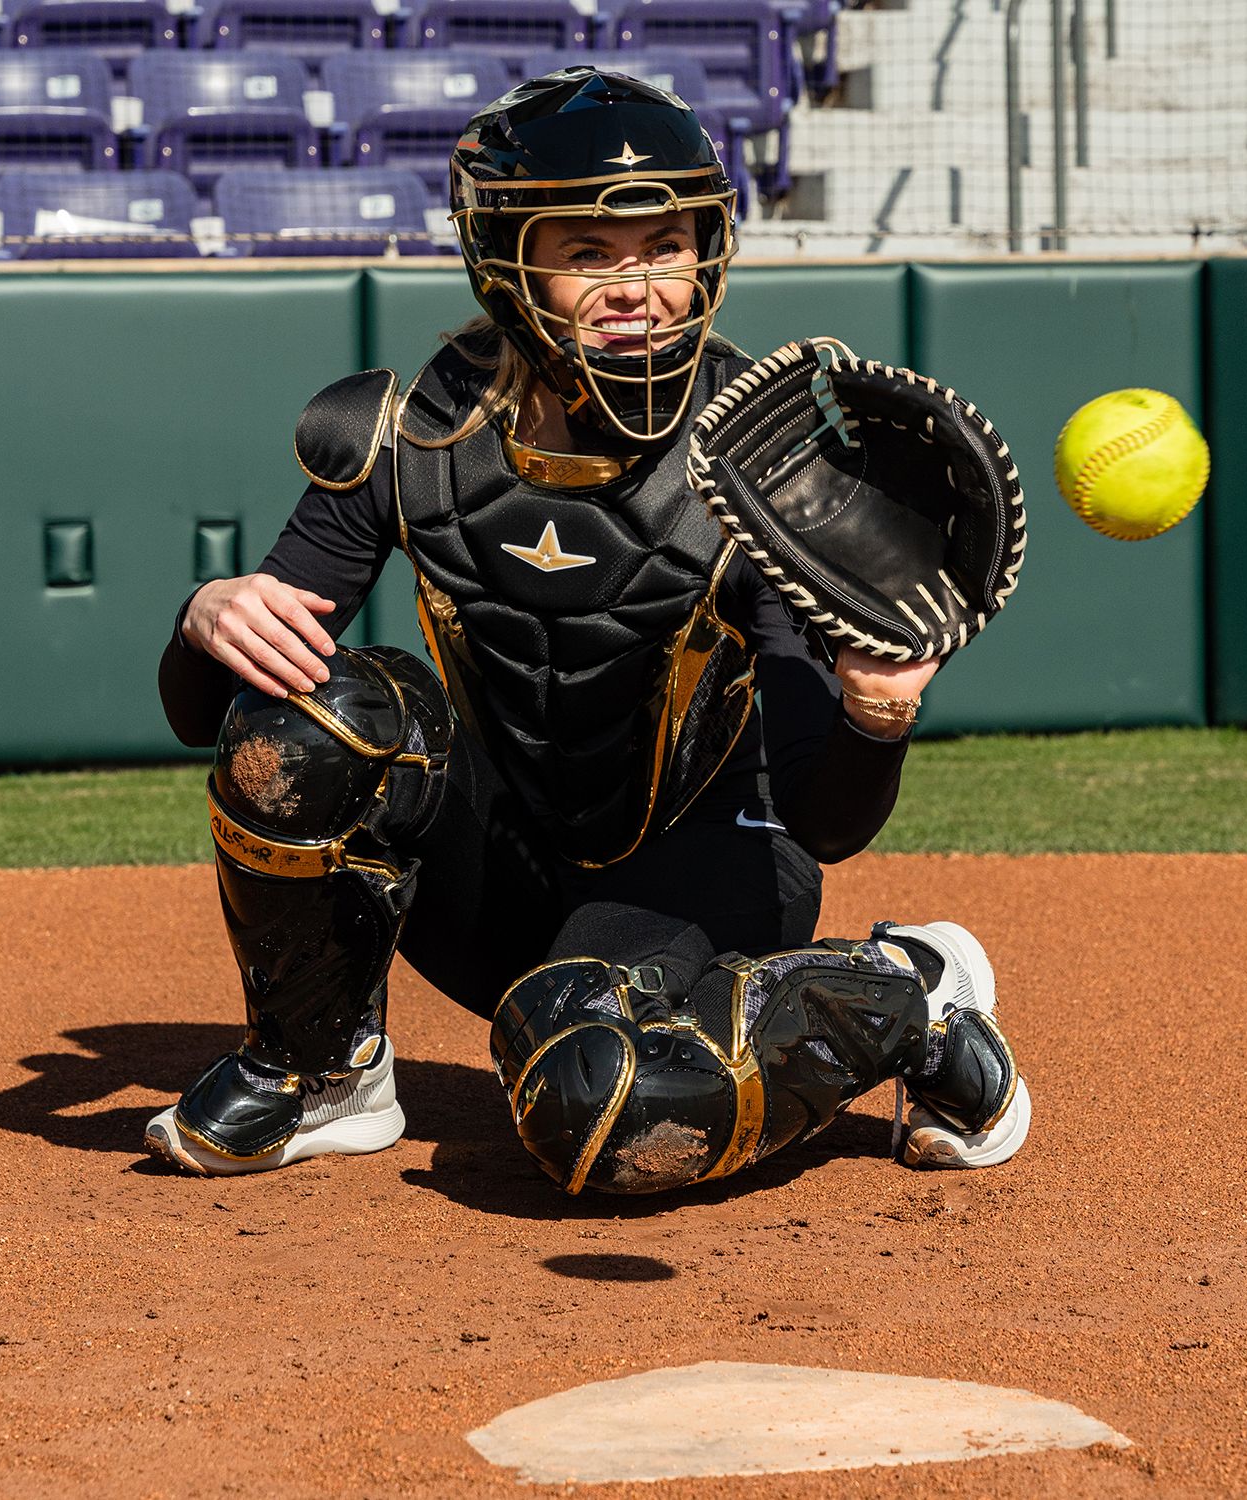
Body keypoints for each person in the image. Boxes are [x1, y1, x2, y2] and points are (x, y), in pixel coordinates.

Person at [145, 67, 1031, 1191]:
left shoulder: (760, 465)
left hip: (699, 879)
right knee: (317, 714)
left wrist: (876, 706)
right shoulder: (407, 432)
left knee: (600, 1112)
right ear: (504, 262)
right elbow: (214, 721)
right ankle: (321, 1069)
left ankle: (912, 995)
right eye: (589, 252)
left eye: (665, 246)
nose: (638, 287)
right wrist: (205, 617)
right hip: (500, 877)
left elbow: (825, 824)